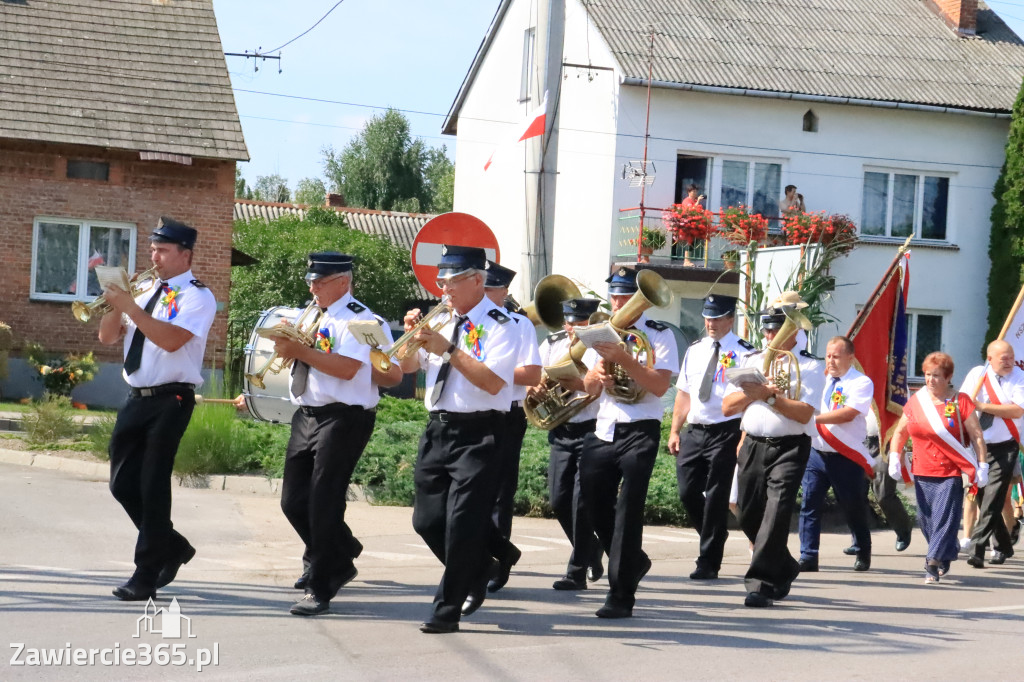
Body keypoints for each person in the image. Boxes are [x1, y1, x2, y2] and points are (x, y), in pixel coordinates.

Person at [399, 245, 519, 634]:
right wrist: (411, 340)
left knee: (462, 523)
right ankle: (485, 564)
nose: (443, 288)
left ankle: (446, 608)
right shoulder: (442, 321)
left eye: (451, 281)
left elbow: (493, 381)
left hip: (480, 430)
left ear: (477, 280)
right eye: (441, 281)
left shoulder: (503, 325)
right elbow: (403, 367)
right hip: (438, 429)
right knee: (426, 521)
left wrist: (449, 349)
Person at [275, 253, 402, 616]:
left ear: (343, 282)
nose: (312, 286)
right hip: (308, 413)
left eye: (319, 281)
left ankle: (322, 585)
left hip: (345, 416)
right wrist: (290, 347)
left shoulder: (363, 320)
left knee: (323, 501)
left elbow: (348, 369)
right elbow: (310, 360)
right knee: (293, 501)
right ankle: (340, 554)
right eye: (310, 280)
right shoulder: (314, 314)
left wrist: (300, 350)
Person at [99, 217, 216, 601]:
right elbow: (107, 336)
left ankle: (146, 573)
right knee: (121, 484)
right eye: (153, 249)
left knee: (152, 484)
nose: (155, 256)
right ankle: (173, 546)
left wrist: (130, 305)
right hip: (137, 396)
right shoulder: (147, 287)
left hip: (172, 398)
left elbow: (169, 341)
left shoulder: (197, 296)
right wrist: (116, 303)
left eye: (163, 250)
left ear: (186, 255)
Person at [579, 267, 678, 618]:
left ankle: (620, 595)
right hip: (604, 428)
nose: (621, 302)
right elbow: (589, 390)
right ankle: (633, 561)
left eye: (626, 295)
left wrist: (622, 359)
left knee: (628, 512)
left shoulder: (660, 336)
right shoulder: (600, 333)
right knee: (591, 503)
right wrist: (595, 376)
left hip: (640, 429)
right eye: (617, 296)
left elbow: (659, 386)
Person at [722, 295, 824, 608]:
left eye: (776, 329)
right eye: (767, 330)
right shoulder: (752, 361)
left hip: (790, 447)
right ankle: (786, 565)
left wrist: (767, 397)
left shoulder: (809, 365)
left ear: (793, 331)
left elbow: (805, 414)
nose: (770, 336)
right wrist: (752, 395)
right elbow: (727, 407)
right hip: (753, 443)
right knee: (749, 512)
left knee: (777, 512)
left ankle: (760, 584)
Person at [667, 294, 753, 580]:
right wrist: (675, 429)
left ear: (730, 318)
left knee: (717, 496)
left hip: (725, 430)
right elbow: (685, 392)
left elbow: (750, 398)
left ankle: (709, 560)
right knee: (687, 490)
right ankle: (713, 534)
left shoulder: (745, 352)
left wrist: (743, 435)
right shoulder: (695, 349)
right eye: (707, 316)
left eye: (717, 317)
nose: (711, 323)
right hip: (696, 429)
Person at [473, 261, 541, 603]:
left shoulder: (519, 323)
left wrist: (490, 372)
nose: (484, 294)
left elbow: (531, 374)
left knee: (499, 490)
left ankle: (499, 562)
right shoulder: (467, 321)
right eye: (481, 287)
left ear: (504, 292)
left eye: (490, 289)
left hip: (507, 415)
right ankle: (487, 552)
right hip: (470, 413)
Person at [889, 352, 988, 583]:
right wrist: (895, 456)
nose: (931, 380)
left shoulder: (960, 401)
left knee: (944, 518)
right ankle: (948, 548)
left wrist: (982, 464)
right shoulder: (917, 401)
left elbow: (976, 435)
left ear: (948, 377)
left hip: (950, 471)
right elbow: (901, 432)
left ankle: (932, 562)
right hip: (922, 470)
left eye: (936, 376)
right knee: (926, 521)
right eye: (927, 375)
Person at [533, 297, 604, 590]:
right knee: (559, 499)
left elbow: (596, 387)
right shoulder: (552, 344)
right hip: (563, 428)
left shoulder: (601, 346)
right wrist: (535, 387)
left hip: (591, 428)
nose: (575, 328)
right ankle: (592, 549)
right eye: (571, 322)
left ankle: (576, 571)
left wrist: (572, 381)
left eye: (581, 322)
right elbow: (536, 373)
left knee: (580, 501)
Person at [799, 336, 875, 573]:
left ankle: (863, 549)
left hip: (846, 456)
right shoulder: (818, 380)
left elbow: (848, 413)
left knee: (852, 505)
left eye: (836, 356)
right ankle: (808, 556)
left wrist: (812, 419)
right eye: (828, 356)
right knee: (809, 504)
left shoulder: (860, 382)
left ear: (850, 358)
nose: (830, 361)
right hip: (817, 452)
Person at [960, 340, 1023, 567]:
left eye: (1011, 357)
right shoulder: (978, 374)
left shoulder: (1019, 376)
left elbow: (1017, 410)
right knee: (980, 495)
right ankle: (1004, 545)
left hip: (1005, 445)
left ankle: (978, 549)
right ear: (989, 359)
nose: (1008, 362)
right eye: (1003, 358)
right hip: (978, 446)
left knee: (994, 497)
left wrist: (983, 407)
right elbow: (963, 403)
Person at [842, 411, 914, 556]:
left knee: (883, 495)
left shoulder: (892, 388)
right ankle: (858, 542)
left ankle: (903, 529)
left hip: (885, 443)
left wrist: (901, 448)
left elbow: (903, 415)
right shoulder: (856, 387)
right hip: (860, 442)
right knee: (855, 495)